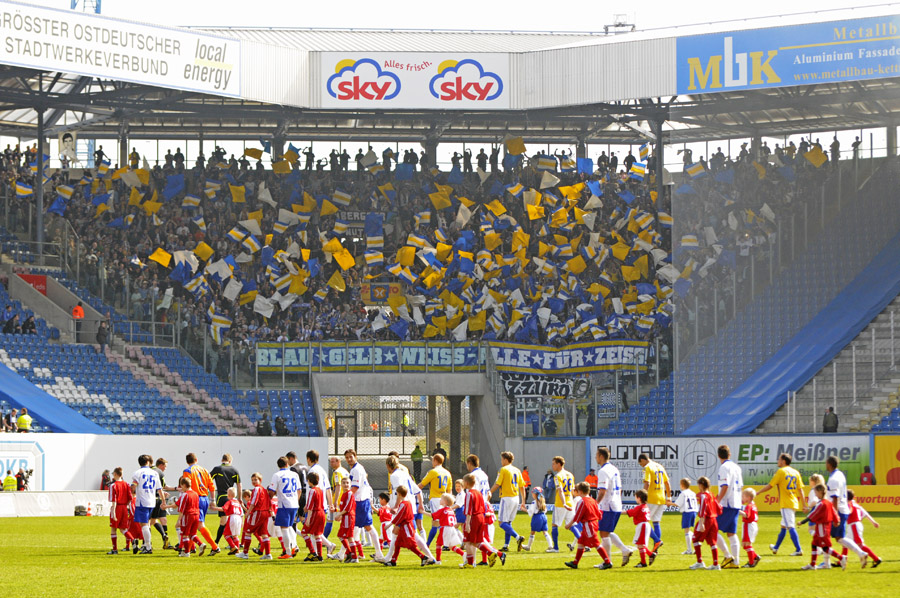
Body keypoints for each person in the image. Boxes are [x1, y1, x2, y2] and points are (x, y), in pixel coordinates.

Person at [758, 452, 805, 556]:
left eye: (779, 459)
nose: (777, 461)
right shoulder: (795, 472)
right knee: (783, 526)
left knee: (790, 527)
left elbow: (770, 485)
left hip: (786, 503)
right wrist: (804, 504)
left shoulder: (781, 471)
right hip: (793, 502)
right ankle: (775, 548)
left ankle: (798, 549)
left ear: (783, 461)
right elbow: (800, 489)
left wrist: (758, 492)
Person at [825, 455, 869, 566]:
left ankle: (826, 562)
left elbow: (835, 498)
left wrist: (834, 515)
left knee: (828, 536)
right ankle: (860, 554)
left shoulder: (833, 479)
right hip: (843, 509)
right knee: (837, 538)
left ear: (829, 464)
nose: (825, 465)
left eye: (826, 463)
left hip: (838, 510)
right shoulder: (840, 474)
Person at [595, 446, 632, 565]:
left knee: (604, 533)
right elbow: (620, 489)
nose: (596, 458)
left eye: (596, 455)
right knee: (607, 531)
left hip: (608, 505)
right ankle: (624, 550)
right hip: (616, 503)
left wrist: (595, 504)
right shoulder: (614, 469)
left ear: (601, 456)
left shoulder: (603, 471)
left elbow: (602, 490)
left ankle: (607, 561)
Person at [344, 449, 384, 561]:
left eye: (351, 456)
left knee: (366, 527)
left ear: (355, 456)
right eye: (347, 457)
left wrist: (347, 497)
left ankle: (378, 554)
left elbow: (355, 487)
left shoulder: (356, 469)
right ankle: (349, 553)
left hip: (360, 501)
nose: (349, 459)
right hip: (360, 500)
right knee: (353, 528)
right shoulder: (356, 468)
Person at [564, 482, 612, 570]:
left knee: (596, 543)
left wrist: (569, 524)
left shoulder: (582, 501)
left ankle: (607, 562)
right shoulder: (592, 500)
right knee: (581, 542)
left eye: (577, 491)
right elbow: (599, 514)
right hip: (594, 523)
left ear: (580, 492)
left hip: (588, 524)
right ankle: (575, 562)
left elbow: (577, 515)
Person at [384, 485, 435, 566]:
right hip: (405, 526)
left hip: (406, 527)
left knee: (410, 544)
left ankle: (423, 557)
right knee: (397, 543)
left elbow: (399, 516)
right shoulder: (408, 503)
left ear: (399, 494)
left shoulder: (403, 504)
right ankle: (393, 561)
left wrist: (390, 524)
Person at [799, 484, 845, 570]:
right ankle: (813, 564)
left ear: (820, 492)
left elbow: (813, 514)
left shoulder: (821, 504)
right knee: (814, 544)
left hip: (822, 527)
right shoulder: (828, 502)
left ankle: (841, 558)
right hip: (825, 526)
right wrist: (837, 520)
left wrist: (802, 522)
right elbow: (834, 512)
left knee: (825, 548)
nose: (815, 494)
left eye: (816, 492)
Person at [461, 473, 503, 568]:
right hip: (481, 517)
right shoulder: (479, 492)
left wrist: (467, 523)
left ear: (466, 483)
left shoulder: (469, 494)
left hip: (474, 518)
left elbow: (469, 510)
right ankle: (490, 553)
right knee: (477, 541)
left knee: (468, 541)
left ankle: (471, 563)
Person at [183, 453, 220, 555]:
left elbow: (187, 486)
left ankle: (214, 546)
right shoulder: (205, 470)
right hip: (205, 498)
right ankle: (189, 549)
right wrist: (212, 500)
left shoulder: (187, 471)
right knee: (194, 526)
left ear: (187, 461)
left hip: (195, 498)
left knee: (198, 524)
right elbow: (212, 486)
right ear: (196, 459)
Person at [715, 444, 744, 568]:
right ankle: (735, 561)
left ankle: (728, 556)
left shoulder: (724, 467)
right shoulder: (736, 467)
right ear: (729, 454)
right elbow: (741, 486)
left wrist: (718, 500)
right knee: (731, 533)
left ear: (718, 456)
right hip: (736, 502)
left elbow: (725, 486)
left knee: (712, 530)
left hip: (727, 503)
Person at [490, 450, 525, 551]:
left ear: (505, 459)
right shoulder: (517, 470)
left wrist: (489, 492)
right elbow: (522, 486)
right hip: (516, 498)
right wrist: (523, 501)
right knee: (508, 522)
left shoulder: (503, 470)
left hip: (507, 498)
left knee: (501, 522)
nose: (501, 461)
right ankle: (506, 545)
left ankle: (518, 537)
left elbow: (497, 483)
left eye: (502, 459)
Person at [130, 454, 165, 554]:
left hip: (142, 501)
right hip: (152, 501)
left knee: (144, 524)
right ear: (148, 462)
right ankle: (146, 545)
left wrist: (132, 491)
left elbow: (133, 486)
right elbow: (159, 489)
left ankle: (148, 547)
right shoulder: (154, 473)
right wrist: (163, 501)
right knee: (147, 523)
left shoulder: (137, 473)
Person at [164, 477, 206, 557]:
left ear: (183, 485)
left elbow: (181, 509)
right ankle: (200, 544)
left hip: (188, 515)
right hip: (196, 515)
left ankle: (187, 553)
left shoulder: (185, 495)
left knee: (185, 534)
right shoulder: (195, 493)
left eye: (181, 486)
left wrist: (179, 520)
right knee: (192, 534)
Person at [270, 456, 301, 559]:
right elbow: (299, 490)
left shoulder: (277, 475)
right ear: (288, 464)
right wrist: (296, 501)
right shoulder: (294, 474)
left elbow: (271, 491)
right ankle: (294, 546)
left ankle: (288, 552)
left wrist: (270, 497)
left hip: (284, 504)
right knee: (290, 526)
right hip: (294, 504)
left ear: (278, 465)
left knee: (284, 529)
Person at [638, 453, 670, 552]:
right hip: (661, 498)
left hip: (651, 498)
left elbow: (647, 482)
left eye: (641, 464)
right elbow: (667, 482)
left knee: (643, 521)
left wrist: (643, 496)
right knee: (656, 522)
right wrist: (669, 496)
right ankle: (655, 548)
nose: (642, 466)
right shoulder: (660, 466)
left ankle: (657, 540)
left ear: (643, 460)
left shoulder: (647, 467)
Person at [466, 453, 495, 563]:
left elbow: (474, 493)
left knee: (472, 537)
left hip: (476, 507)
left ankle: (493, 553)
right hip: (484, 505)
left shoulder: (474, 476)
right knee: (481, 535)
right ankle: (484, 559)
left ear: (469, 463)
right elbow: (488, 493)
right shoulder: (484, 474)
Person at [418, 452, 451, 548]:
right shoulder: (447, 473)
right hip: (445, 499)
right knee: (441, 522)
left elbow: (422, 484)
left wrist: (411, 491)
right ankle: (430, 544)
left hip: (436, 499)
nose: (432, 462)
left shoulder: (433, 472)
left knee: (436, 522)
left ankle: (435, 544)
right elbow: (449, 491)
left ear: (435, 461)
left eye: (433, 460)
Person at [689, 476, 722, 570]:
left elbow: (703, 509)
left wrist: (702, 522)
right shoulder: (711, 495)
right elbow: (719, 509)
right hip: (714, 520)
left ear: (701, 485)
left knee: (695, 539)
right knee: (712, 542)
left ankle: (700, 562)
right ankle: (716, 564)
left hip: (706, 520)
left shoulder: (703, 496)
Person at [237, 473, 272, 560]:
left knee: (248, 531)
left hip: (258, 512)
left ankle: (245, 553)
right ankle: (268, 554)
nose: (254, 482)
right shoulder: (264, 490)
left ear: (260, 480)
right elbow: (269, 502)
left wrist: (248, 512)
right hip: (265, 513)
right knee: (264, 534)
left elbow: (253, 502)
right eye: (252, 480)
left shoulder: (257, 489)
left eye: (256, 480)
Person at [210, 454, 242, 548]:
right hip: (232, 497)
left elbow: (208, 480)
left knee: (223, 521)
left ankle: (216, 542)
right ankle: (232, 543)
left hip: (222, 496)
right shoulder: (234, 470)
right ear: (230, 461)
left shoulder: (217, 469)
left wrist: (211, 497)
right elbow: (239, 485)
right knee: (231, 519)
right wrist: (239, 498)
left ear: (222, 460)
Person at [846, 489, 881, 567]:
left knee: (860, 545)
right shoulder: (855, 504)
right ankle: (842, 560)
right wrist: (873, 522)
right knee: (845, 542)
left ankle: (876, 559)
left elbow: (849, 512)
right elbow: (865, 513)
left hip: (854, 526)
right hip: (856, 525)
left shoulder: (849, 504)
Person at [549, 455, 576, 553]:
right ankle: (583, 543)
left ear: (559, 464)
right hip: (570, 502)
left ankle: (555, 548)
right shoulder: (570, 474)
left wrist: (564, 503)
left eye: (554, 464)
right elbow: (573, 490)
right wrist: (571, 502)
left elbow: (560, 491)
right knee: (571, 525)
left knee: (554, 525)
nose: (552, 466)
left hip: (561, 503)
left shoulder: (557, 476)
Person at [107, 467, 136, 554]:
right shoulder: (126, 484)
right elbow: (130, 498)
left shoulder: (113, 485)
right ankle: (132, 539)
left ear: (115, 474)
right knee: (123, 528)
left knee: (113, 528)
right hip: (124, 507)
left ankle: (114, 549)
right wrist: (126, 506)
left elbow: (114, 500)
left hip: (117, 507)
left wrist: (114, 512)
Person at [431, 492, 465, 564]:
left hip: (445, 528)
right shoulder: (451, 510)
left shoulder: (443, 510)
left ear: (445, 501)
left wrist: (423, 512)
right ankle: (463, 554)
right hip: (452, 528)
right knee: (451, 546)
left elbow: (433, 516)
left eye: (441, 499)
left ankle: (438, 560)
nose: (440, 500)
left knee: (439, 544)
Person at [668, 478, 698, 555]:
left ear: (682, 485)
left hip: (687, 512)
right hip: (694, 512)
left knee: (687, 531)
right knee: (689, 531)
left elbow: (677, 504)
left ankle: (689, 550)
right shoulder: (692, 493)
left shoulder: (683, 493)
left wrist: (667, 503)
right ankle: (695, 547)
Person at [301, 470, 327, 561]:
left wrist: (308, 519)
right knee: (317, 535)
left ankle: (312, 552)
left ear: (310, 481)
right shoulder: (319, 490)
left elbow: (311, 506)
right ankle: (319, 556)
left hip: (314, 514)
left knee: (304, 532)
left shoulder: (312, 491)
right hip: (321, 513)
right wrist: (306, 506)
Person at [333, 476, 360, 562]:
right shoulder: (344, 494)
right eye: (344, 483)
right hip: (345, 517)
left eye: (347, 483)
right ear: (341, 485)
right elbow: (343, 507)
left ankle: (355, 557)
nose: (346, 485)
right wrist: (340, 514)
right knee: (341, 535)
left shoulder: (349, 494)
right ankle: (349, 553)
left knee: (349, 537)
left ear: (350, 484)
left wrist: (339, 514)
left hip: (349, 517)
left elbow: (348, 508)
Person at [626, 489, 654, 568]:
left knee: (640, 544)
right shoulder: (646, 506)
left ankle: (643, 562)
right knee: (639, 544)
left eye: (635, 497)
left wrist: (617, 512)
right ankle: (650, 554)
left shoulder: (639, 507)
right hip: (645, 525)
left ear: (639, 498)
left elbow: (630, 512)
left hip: (642, 525)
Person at [211, 487, 243, 554]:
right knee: (235, 535)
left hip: (232, 517)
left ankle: (233, 547)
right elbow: (242, 513)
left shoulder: (229, 502)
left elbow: (223, 508)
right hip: (239, 518)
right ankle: (237, 550)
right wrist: (242, 522)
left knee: (226, 534)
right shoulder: (238, 502)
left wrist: (214, 508)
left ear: (229, 495)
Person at [520, 487, 552, 552]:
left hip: (537, 517)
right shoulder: (542, 500)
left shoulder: (534, 502)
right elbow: (545, 510)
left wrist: (524, 509)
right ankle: (550, 545)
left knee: (532, 532)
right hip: (544, 517)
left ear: (535, 494)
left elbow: (531, 511)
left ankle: (528, 546)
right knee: (545, 532)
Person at [325, 456, 349, 540]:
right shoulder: (345, 471)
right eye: (330, 462)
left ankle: (324, 539)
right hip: (345, 499)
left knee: (329, 519)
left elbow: (338, 486)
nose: (331, 463)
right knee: (344, 520)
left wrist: (335, 502)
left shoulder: (336, 472)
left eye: (333, 462)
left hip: (338, 500)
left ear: (338, 461)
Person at [740, 488, 761, 568]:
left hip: (748, 525)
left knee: (747, 544)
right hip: (752, 525)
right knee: (745, 545)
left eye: (743, 496)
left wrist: (737, 511)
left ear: (748, 497)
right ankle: (755, 557)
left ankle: (751, 562)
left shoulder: (749, 506)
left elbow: (746, 515)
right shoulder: (753, 505)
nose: (742, 498)